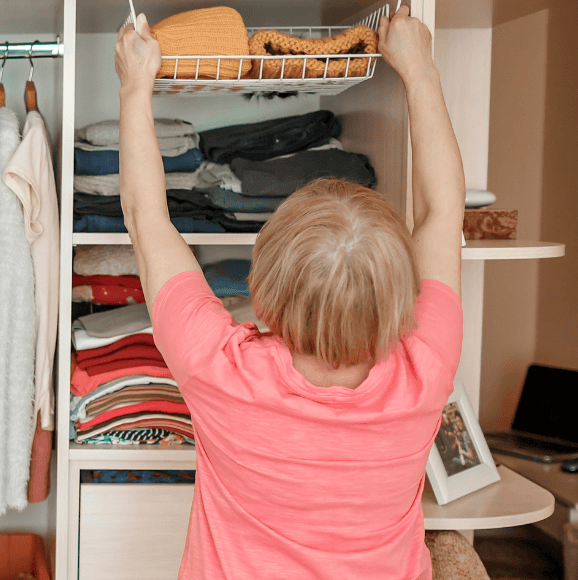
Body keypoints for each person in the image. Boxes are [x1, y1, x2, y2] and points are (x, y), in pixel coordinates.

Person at [115, 7, 465, 580]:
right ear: (400, 296)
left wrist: (136, 86)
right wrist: (419, 68)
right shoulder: (424, 365)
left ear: (264, 298)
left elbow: (145, 217)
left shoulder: (219, 370)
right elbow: (442, 212)